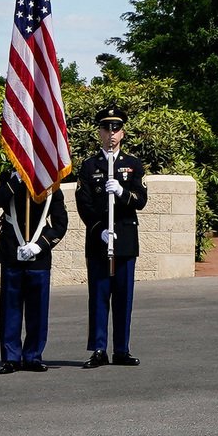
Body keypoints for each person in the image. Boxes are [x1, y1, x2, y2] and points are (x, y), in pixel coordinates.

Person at [75, 106, 147, 369]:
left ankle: (121, 349)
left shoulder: (133, 164)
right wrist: (100, 229)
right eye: (106, 129)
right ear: (100, 133)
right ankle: (98, 349)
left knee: (123, 298)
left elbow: (141, 200)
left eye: (116, 129)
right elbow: (84, 203)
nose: (111, 134)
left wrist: (121, 193)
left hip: (125, 240)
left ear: (123, 133)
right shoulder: (89, 165)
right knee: (98, 296)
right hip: (99, 240)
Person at [0, 170, 68, 373]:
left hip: (38, 257)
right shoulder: (9, 178)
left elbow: (61, 224)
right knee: (10, 308)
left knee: (38, 310)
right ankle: (11, 357)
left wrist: (40, 245)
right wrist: (16, 179)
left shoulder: (51, 184)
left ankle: (33, 355)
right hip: (11, 252)